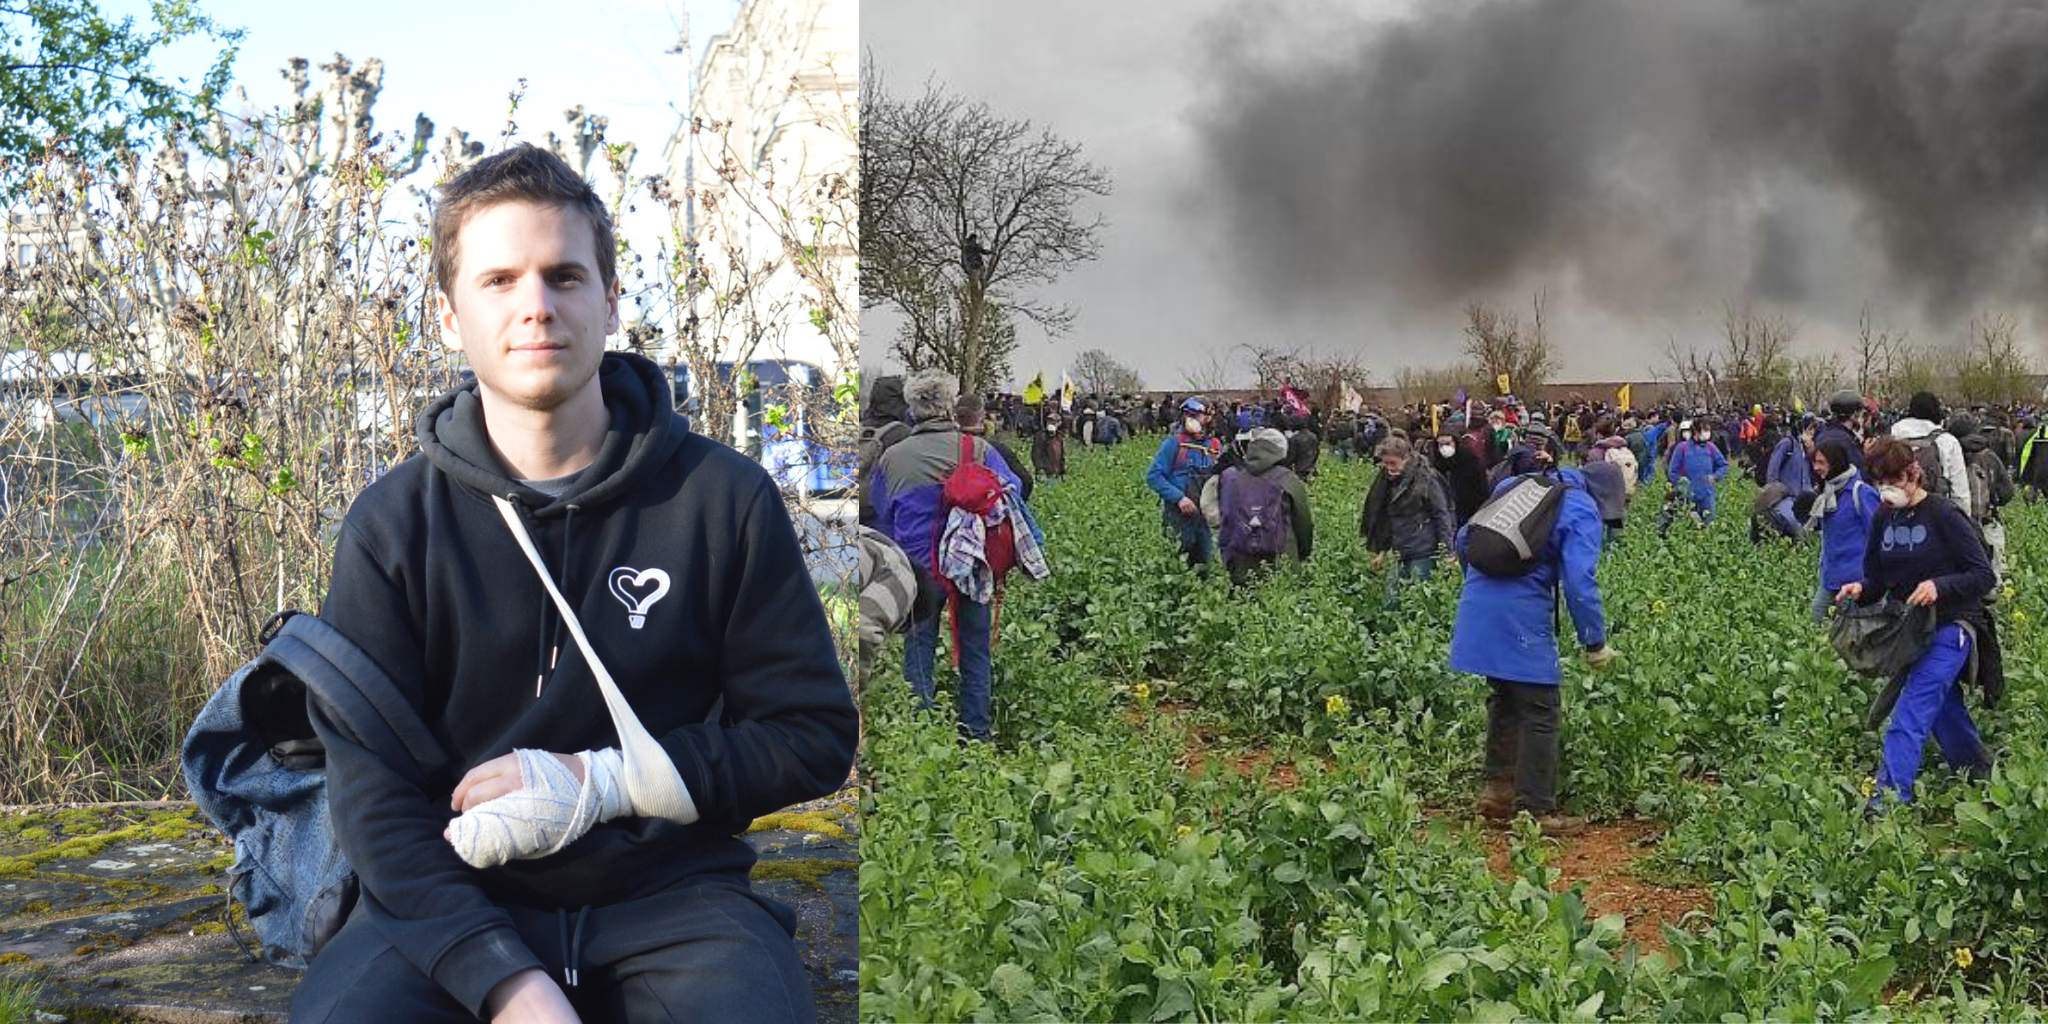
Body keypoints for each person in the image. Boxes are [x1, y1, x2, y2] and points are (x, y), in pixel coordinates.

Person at [290, 145, 855, 1024]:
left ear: (611, 301)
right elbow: (372, 798)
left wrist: (604, 781)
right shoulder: (391, 526)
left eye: (564, 275)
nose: (536, 307)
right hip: (455, 901)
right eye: (500, 280)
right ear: (448, 317)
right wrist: (506, 983)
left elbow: (812, 733)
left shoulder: (722, 498)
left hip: (677, 899)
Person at [1836, 438, 1999, 811]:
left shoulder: (1944, 515)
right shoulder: (1882, 517)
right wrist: (1859, 589)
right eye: (1880, 481)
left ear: (1914, 473)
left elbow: (1982, 575)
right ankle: (1979, 773)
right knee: (1943, 709)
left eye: (1894, 479)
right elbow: (1877, 580)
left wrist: (1938, 586)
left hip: (1952, 626)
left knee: (1909, 712)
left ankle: (1887, 804)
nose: (1887, 488)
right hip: (1911, 630)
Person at [1451, 464, 1611, 834]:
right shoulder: (1580, 506)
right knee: (1541, 707)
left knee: (1506, 698)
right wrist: (1594, 641)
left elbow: (1464, 539)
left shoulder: (1514, 484)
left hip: (1479, 603)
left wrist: (1482, 586)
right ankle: (1535, 810)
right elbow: (1578, 580)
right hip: (1520, 616)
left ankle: (1498, 793)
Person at [870, 371, 1026, 742]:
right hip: (971, 565)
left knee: (918, 649)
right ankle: (976, 732)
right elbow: (1013, 492)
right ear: (948, 406)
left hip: (916, 570)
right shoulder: (979, 451)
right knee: (975, 649)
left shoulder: (892, 458)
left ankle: (923, 736)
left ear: (912, 408)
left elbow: (883, 514)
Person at [1200, 427, 1313, 584]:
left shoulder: (1228, 476)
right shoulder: (1288, 479)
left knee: (1241, 602)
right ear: (1281, 452)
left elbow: (1221, 515)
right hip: (1281, 557)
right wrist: (1302, 553)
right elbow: (1303, 522)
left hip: (1239, 557)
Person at [1360, 436, 1455, 605]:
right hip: (1400, 548)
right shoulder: (1386, 481)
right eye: (1385, 463)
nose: (1389, 468)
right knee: (1391, 602)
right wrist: (1382, 551)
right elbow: (1386, 518)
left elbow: (1441, 515)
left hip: (1423, 548)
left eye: (1393, 463)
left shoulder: (1426, 478)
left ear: (1407, 459)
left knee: (1417, 601)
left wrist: (1448, 551)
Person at [1146, 397, 1223, 569]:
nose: (1191, 419)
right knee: (1175, 565)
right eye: (1188, 415)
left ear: (1209, 418)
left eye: (1196, 415)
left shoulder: (1215, 446)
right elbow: (1154, 476)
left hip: (1204, 517)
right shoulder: (1174, 443)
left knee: (1204, 564)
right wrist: (1179, 498)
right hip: (1178, 516)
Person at [1808, 440, 1879, 623]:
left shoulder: (1860, 492)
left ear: (1836, 462)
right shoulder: (1827, 493)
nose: (1816, 467)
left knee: (1848, 633)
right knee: (1815, 620)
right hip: (1830, 576)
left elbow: (1878, 534)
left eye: (1822, 462)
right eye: (1815, 462)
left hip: (1855, 579)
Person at [1950, 413, 2014, 583]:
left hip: (1954, 524)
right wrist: (1995, 500)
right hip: (1987, 520)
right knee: (1993, 569)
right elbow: (2007, 492)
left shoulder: (1948, 454)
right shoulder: (1990, 455)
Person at [1891, 391, 1971, 502]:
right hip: (1937, 512)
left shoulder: (1893, 437)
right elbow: (1960, 491)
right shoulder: (1947, 441)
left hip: (1899, 508)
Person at [956, 393, 1033, 503]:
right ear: (982, 416)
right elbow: (1024, 481)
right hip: (991, 510)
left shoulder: (943, 447)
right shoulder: (995, 449)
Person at [1662, 420, 1728, 532]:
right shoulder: (1682, 448)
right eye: (1704, 430)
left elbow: (1723, 465)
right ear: (1695, 432)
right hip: (1686, 495)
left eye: (1708, 430)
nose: (1707, 433)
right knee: (1687, 525)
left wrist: (1715, 476)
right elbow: (1672, 471)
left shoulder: (1710, 447)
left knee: (1708, 525)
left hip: (1706, 493)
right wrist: (1681, 482)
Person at [1430, 431, 1488, 525]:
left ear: (1455, 443)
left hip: (1469, 508)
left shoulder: (1469, 460)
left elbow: (1481, 486)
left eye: (1448, 443)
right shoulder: (1436, 463)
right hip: (1446, 511)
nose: (1445, 447)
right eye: (1441, 445)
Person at [1816, 390, 1867, 475]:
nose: (1862, 417)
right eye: (1861, 413)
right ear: (1854, 414)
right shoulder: (1845, 440)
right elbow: (1860, 472)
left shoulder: (1823, 433)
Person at [1031, 407, 1067, 480]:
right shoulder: (1041, 436)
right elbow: (1036, 454)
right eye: (1050, 422)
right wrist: (1040, 469)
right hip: (1045, 472)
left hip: (1056, 471)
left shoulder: (1059, 437)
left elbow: (1061, 455)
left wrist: (1062, 471)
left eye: (1055, 422)